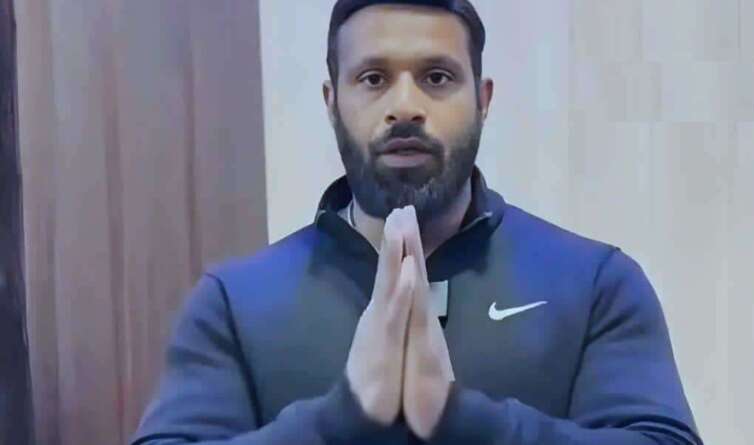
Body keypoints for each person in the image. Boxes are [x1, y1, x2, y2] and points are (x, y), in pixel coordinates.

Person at [131, 1, 703, 444]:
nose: (405, 105)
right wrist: (340, 418)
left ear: (483, 100)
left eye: (436, 77)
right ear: (331, 101)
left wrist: (464, 420)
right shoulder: (234, 302)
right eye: (373, 78)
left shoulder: (597, 283)